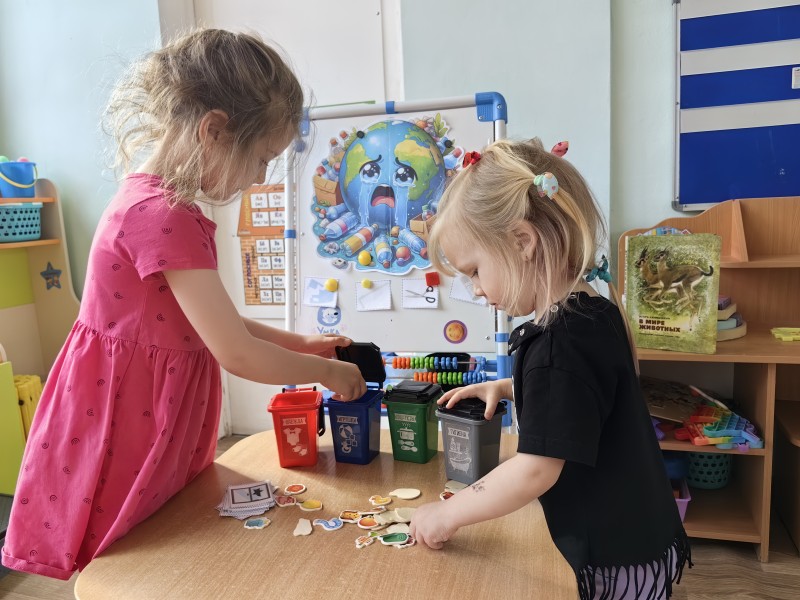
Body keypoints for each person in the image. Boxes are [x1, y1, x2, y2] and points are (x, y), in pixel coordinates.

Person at [1, 29, 366, 580]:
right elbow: (235, 352)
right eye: (261, 158)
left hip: (140, 399)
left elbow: (205, 323)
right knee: (134, 553)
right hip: (127, 410)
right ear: (213, 130)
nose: (259, 177)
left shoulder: (152, 201)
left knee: (159, 538)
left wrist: (301, 344)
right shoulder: (164, 215)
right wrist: (328, 372)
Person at [409, 139, 691, 600]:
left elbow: (534, 470)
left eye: (475, 270)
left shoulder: (557, 346)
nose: (475, 289)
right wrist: (511, 386)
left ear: (523, 241)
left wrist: (448, 513)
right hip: (642, 529)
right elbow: (584, 396)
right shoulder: (592, 310)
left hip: (613, 557)